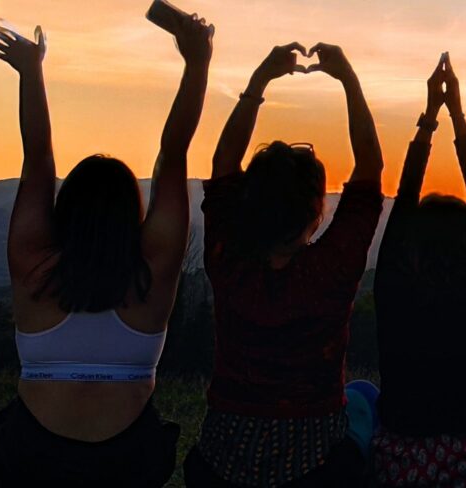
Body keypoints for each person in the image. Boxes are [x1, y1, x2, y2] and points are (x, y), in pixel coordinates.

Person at [0, 10, 209, 487]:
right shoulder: (153, 273)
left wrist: (31, 70)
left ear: (66, 208)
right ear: (131, 213)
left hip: (31, 455)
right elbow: (174, 153)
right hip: (128, 462)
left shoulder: (34, 265)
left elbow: (37, 159)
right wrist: (198, 61)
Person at [183, 42, 385, 487]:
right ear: (317, 213)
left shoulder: (229, 262)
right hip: (316, 464)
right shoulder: (329, 271)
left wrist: (260, 80)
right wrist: (348, 78)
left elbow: (222, 165)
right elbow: (370, 167)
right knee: (367, 398)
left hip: (222, 458)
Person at [366, 52, 466, 487]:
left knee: (360, 397)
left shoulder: (394, 291)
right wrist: (457, 114)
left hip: (398, 464)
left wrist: (430, 118)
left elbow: (403, 206)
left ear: (411, 245)